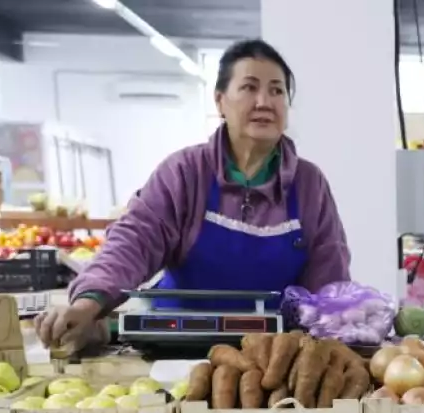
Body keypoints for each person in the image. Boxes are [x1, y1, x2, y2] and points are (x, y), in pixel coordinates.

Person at [36, 38, 350, 349]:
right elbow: (134, 241)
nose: (264, 102)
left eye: (277, 90)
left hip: (273, 359)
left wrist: (334, 341)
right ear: (220, 101)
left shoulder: (308, 184)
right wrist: (88, 303)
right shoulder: (186, 172)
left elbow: (328, 278)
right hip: (176, 349)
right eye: (249, 87)